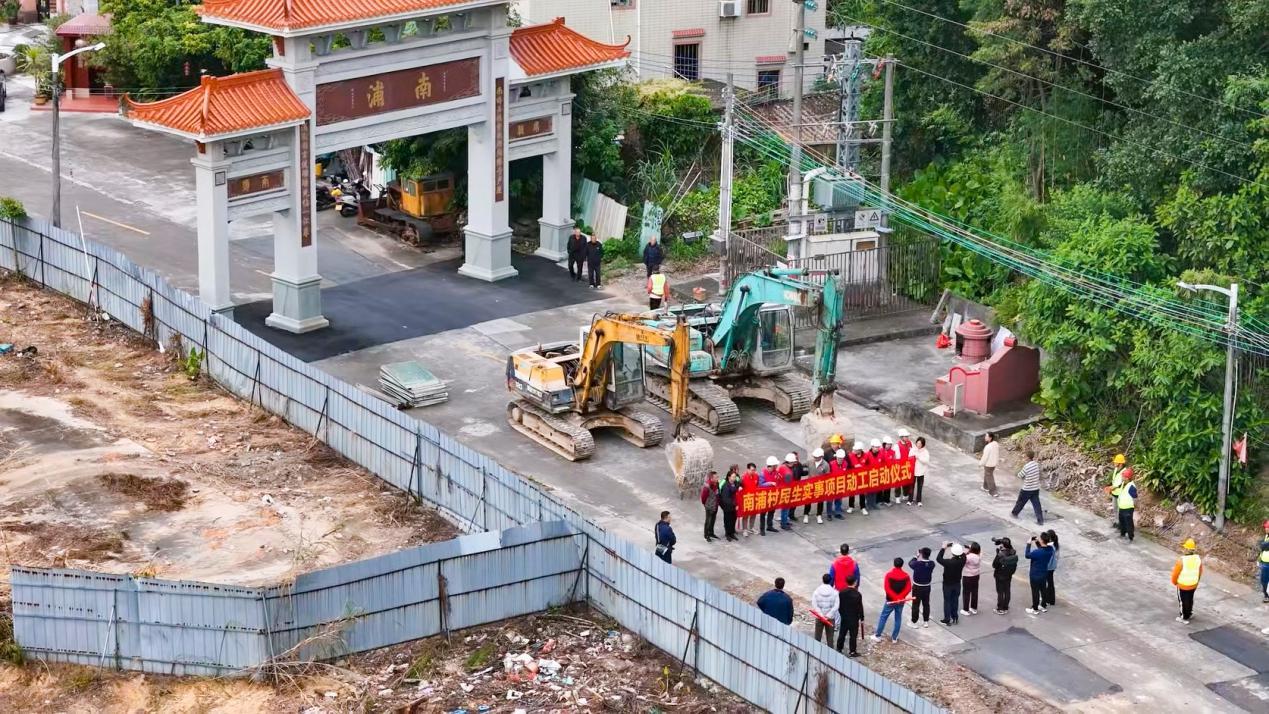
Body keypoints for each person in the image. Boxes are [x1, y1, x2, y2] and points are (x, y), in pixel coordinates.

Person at [872, 558, 912, 644]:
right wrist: (900, 597)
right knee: (898, 618)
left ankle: (878, 636)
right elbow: (908, 588)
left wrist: (895, 598)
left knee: (883, 617)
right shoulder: (906, 576)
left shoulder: (889, 575)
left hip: (890, 601)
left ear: (894, 564)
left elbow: (887, 588)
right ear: (902, 565)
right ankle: (894, 638)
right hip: (900, 601)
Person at [1171, 539, 1203, 624]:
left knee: (1183, 601)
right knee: (1190, 599)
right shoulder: (1198, 559)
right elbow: (1200, 572)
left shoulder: (1181, 560)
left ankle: (1184, 617)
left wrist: (1174, 582)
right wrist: (1197, 582)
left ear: (1186, 549)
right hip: (1193, 584)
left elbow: (1175, 574)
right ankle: (1189, 613)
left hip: (1183, 585)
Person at [1011, 449, 1044, 525]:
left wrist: (1016, 472)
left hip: (1027, 489)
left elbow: (1020, 475)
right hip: (1035, 488)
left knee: (1020, 502)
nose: (1024, 457)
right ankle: (1040, 520)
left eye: (1025, 456)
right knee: (1037, 505)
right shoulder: (1036, 464)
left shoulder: (1027, 466)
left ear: (1028, 457)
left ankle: (1014, 513)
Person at [936, 543, 966, 625]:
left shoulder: (948, 562)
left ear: (952, 553)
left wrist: (943, 548)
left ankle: (947, 619)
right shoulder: (963, 560)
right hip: (957, 583)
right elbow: (963, 554)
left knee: (947, 601)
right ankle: (955, 617)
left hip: (947, 584)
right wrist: (958, 546)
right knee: (955, 600)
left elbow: (938, 558)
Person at [1024, 532, 1054, 614]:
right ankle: (1043, 606)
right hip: (1044, 573)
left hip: (1035, 574)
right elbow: (1043, 548)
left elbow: (1027, 555)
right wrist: (1038, 542)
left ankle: (1035, 608)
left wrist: (1028, 544)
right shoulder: (1050, 550)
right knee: (1043, 590)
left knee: (1035, 592)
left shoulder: (1037, 552)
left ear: (1042, 540)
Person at [836, 576, 865, 657]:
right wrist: (862, 618)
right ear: (855, 583)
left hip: (844, 617)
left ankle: (839, 648)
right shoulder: (858, 594)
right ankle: (852, 651)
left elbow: (840, 606)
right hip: (854, 618)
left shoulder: (842, 593)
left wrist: (842, 614)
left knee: (842, 633)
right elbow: (860, 607)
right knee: (853, 635)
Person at [908, 547, 935, 628]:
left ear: (921, 554)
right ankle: (926, 621)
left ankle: (914, 622)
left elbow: (910, 563)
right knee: (926, 604)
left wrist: (916, 556)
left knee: (915, 604)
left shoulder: (917, 564)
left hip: (917, 587)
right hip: (927, 587)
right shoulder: (932, 564)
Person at [991, 537, 1018, 614]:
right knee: (1007, 590)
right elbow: (1010, 548)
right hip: (1008, 574)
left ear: (1003, 545)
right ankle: (1006, 607)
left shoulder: (1001, 554)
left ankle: (1000, 608)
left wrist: (998, 554)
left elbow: (994, 565)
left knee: (1000, 592)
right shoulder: (1013, 552)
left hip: (1000, 575)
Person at [804, 448, 831, 524]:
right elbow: (802, 465)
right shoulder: (810, 462)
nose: (815, 458)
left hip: (820, 485)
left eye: (817, 457)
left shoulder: (825, 465)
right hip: (810, 485)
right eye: (814, 457)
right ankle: (806, 514)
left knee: (820, 501)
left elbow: (827, 476)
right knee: (808, 500)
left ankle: (819, 515)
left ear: (821, 456)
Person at [811, 574, 839, 646]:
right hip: (830, 618)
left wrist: (821, 615)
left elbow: (814, 604)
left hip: (819, 618)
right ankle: (830, 654)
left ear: (822, 580)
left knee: (817, 638)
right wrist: (828, 615)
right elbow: (836, 606)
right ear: (830, 581)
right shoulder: (835, 592)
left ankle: (816, 652)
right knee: (830, 639)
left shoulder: (816, 591)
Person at [1113, 468, 1138, 542]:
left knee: (1129, 523)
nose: (1122, 478)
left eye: (1123, 477)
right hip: (1122, 507)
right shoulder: (1123, 483)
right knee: (1122, 522)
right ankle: (1122, 534)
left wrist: (1133, 505)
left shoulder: (1131, 487)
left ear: (1127, 478)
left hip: (1128, 508)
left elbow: (1135, 497)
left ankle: (1130, 537)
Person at [759, 456, 782, 535]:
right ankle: (762, 529)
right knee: (763, 513)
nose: (776, 467)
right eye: (775, 465)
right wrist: (770, 483)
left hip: (773, 495)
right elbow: (760, 484)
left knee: (772, 511)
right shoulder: (762, 474)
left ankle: (769, 526)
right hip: (765, 496)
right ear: (771, 466)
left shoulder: (776, 472)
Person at [847, 442, 871, 515]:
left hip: (862, 477)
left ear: (860, 450)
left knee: (862, 493)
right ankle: (851, 506)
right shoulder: (850, 456)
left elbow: (868, 466)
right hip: (853, 476)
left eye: (856, 450)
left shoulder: (866, 456)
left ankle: (862, 507)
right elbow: (848, 466)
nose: (854, 451)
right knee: (851, 493)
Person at [778, 453, 799, 530]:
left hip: (780, 489)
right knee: (785, 508)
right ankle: (784, 523)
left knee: (784, 508)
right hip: (786, 492)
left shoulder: (781, 467)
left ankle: (785, 521)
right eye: (793, 462)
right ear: (790, 462)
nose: (794, 464)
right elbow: (788, 484)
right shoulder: (788, 473)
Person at [720, 466, 740, 541]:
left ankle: (732, 533)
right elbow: (726, 499)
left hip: (734, 506)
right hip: (728, 507)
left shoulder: (734, 484)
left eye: (735, 477)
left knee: (733, 520)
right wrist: (734, 505)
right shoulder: (726, 486)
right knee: (727, 520)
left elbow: (738, 485)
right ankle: (727, 534)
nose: (734, 478)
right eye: (733, 477)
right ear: (729, 477)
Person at [1108, 453, 1129, 527]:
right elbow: (1114, 480)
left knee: (1121, 510)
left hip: (1121, 494)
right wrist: (1111, 487)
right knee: (1115, 508)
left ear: (1120, 463)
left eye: (1116, 462)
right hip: (1115, 493)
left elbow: (1122, 483)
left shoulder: (1125, 472)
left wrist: (1114, 487)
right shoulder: (1116, 469)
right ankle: (1116, 522)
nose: (1114, 463)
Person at [961, 542, 982, 616]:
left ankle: (965, 609)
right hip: (976, 575)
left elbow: (962, 560)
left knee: (966, 593)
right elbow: (977, 552)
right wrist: (971, 548)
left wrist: (966, 552)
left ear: (971, 549)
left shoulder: (968, 557)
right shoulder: (979, 556)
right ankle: (974, 608)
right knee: (974, 592)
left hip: (967, 576)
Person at [699, 471, 720, 542]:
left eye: (717, 477)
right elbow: (703, 498)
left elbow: (718, 493)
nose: (718, 478)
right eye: (716, 477)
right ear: (711, 478)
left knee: (713, 520)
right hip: (709, 506)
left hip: (715, 505)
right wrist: (706, 504)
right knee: (708, 520)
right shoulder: (707, 487)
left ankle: (711, 533)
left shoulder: (717, 483)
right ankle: (706, 535)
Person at [740, 462, 759, 536]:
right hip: (746, 499)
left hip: (754, 498)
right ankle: (745, 529)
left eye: (754, 470)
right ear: (747, 469)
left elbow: (757, 486)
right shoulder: (743, 477)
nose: (753, 471)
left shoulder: (756, 476)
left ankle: (751, 527)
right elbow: (740, 489)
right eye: (752, 470)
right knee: (746, 515)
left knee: (753, 514)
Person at [910, 437, 930, 507]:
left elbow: (926, 461)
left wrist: (919, 457)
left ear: (922, 444)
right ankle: (910, 499)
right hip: (913, 471)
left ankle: (919, 500)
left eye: (920, 443)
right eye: (917, 443)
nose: (918, 445)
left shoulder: (925, 452)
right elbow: (909, 457)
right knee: (911, 486)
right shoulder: (913, 449)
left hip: (921, 472)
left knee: (919, 486)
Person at [979, 431, 999, 497]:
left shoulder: (988, 447)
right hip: (994, 463)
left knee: (989, 476)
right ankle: (985, 487)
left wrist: (980, 463)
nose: (985, 437)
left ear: (990, 438)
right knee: (987, 474)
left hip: (989, 464)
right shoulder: (996, 444)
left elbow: (985, 457)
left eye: (986, 436)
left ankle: (993, 492)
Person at [1043, 530, 1060, 607]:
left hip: (1048, 567)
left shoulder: (1050, 546)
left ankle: (1047, 598)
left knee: (1047, 582)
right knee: (1050, 582)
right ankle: (1051, 599)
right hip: (1053, 566)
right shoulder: (1056, 544)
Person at [1260, 520, 1269, 603]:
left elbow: (1264, 545)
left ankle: (1267, 595)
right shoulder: (1266, 536)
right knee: (1263, 580)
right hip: (1264, 562)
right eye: (1266, 527)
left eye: (1267, 527)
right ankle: (1266, 595)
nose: (1266, 529)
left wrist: (1263, 545)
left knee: (1265, 580)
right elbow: (1261, 545)